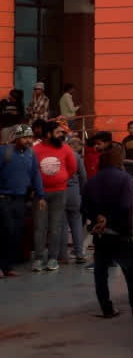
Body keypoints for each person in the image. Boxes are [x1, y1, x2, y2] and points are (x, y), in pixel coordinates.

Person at [82, 144, 133, 320]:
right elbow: (125, 205)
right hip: (120, 232)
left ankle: (106, 308)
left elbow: (84, 207)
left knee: (100, 272)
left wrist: (98, 219)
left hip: (100, 234)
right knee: (131, 273)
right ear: (119, 159)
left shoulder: (91, 180)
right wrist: (108, 219)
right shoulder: (125, 179)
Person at [31, 119, 76, 271]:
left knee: (55, 227)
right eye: (58, 133)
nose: (61, 135)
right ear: (48, 134)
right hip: (40, 194)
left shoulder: (66, 149)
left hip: (59, 193)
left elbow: (72, 168)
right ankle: (38, 259)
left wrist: (61, 180)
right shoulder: (36, 150)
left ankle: (52, 258)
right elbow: (31, 170)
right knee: (40, 227)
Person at [0, 125, 44, 277]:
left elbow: (35, 175)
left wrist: (41, 195)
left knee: (16, 233)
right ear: (17, 138)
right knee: (5, 231)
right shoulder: (4, 152)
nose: (29, 140)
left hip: (20, 199)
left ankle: (8, 266)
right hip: (3, 199)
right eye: (25, 137)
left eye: (30, 137)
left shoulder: (31, 154)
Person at [58, 136, 87, 264]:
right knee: (76, 223)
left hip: (60, 191)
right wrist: (82, 192)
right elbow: (83, 176)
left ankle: (63, 255)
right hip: (75, 192)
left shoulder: (59, 155)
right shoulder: (76, 156)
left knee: (63, 225)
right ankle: (79, 253)